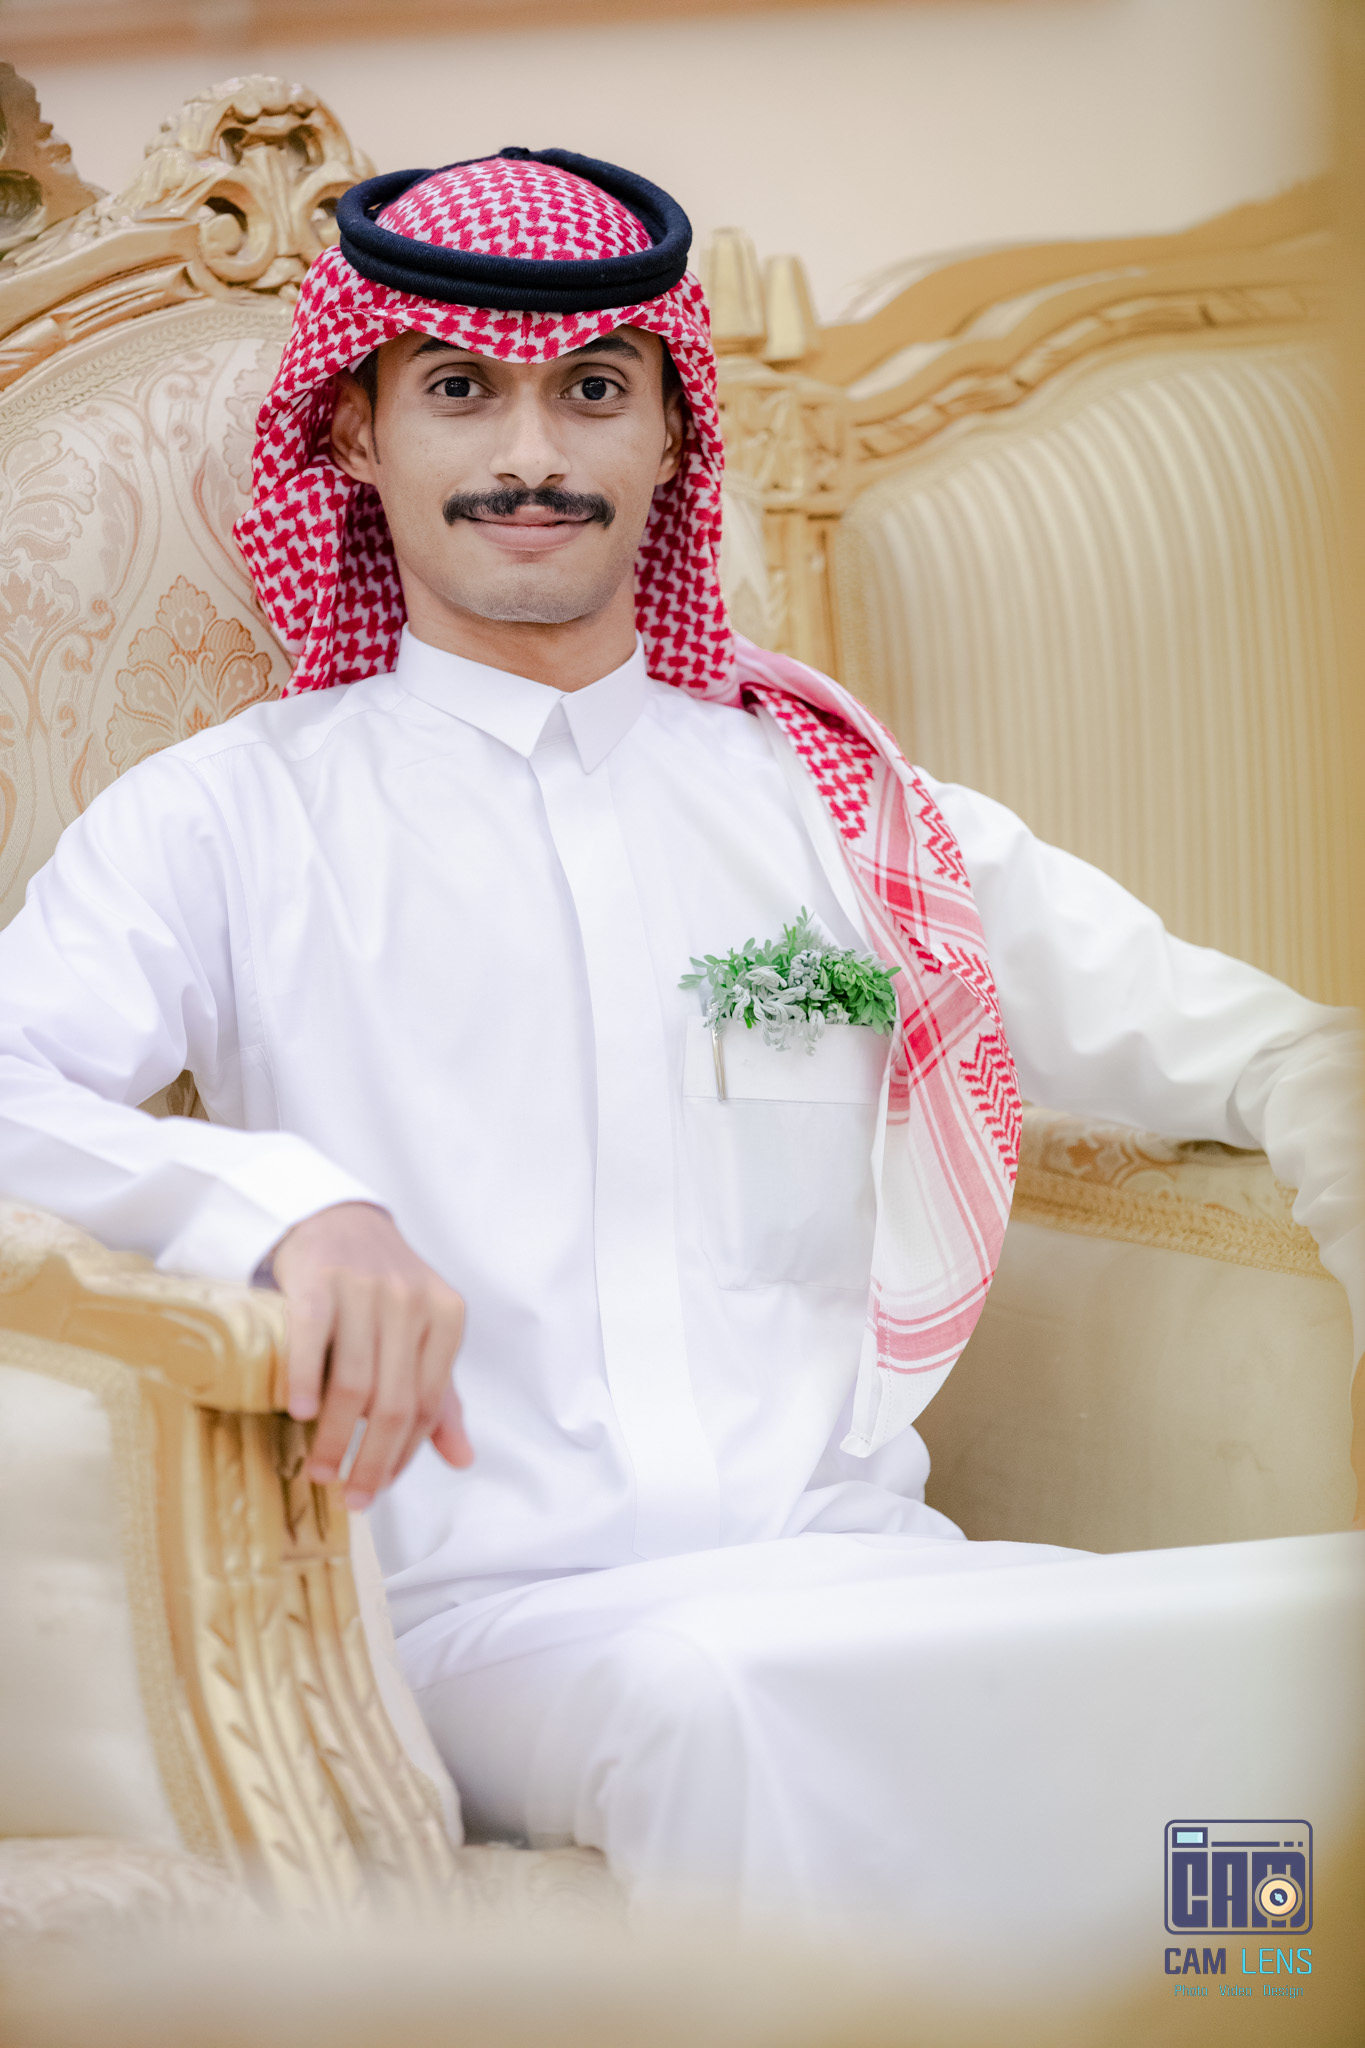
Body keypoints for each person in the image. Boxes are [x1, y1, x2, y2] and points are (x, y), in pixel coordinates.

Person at [0, 149, 1358, 1914]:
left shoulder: (841, 806)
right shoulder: (230, 819)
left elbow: (1283, 1052)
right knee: (718, 1705)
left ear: (667, 436)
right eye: (459, 391)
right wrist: (277, 1209)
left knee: (1306, 1646)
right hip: (477, 1625)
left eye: (592, 392)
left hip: (860, 1572)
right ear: (354, 434)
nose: (533, 455)